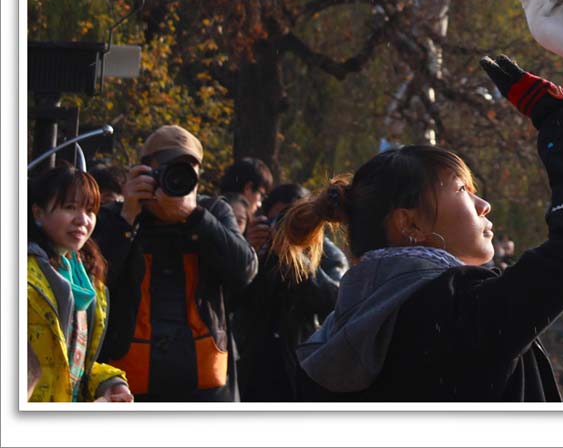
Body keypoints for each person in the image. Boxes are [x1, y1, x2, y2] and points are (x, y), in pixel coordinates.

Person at [271, 54, 563, 402]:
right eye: (462, 190)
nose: (483, 205)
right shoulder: (457, 310)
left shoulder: (332, 335)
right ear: (409, 223)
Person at [93, 124, 258, 402]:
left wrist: (194, 218)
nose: (178, 177)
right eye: (170, 167)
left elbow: (245, 271)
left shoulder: (212, 211)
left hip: (206, 386)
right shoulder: (117, 215)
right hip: (130, 385)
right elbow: (94, 283)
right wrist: (127, 219)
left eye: (188, 169)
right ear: (146, 170)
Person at [27, 163, 133, 403]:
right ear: (38, 214)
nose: (82, 220)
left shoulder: (88, 280)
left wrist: (108, 383)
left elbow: (71, 365)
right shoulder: (23, 278)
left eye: (90, 210)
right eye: (70, 207)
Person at [234, 183, 347, 401]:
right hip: (250, 369)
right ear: (265, 218)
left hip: (303, 367)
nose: (289, 226)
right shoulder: (255, 247)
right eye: (281, 218)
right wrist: (249, 252)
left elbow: (334, 301)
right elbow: (229, 297)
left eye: (296, 216)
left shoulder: (328, 255)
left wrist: (296, 258)